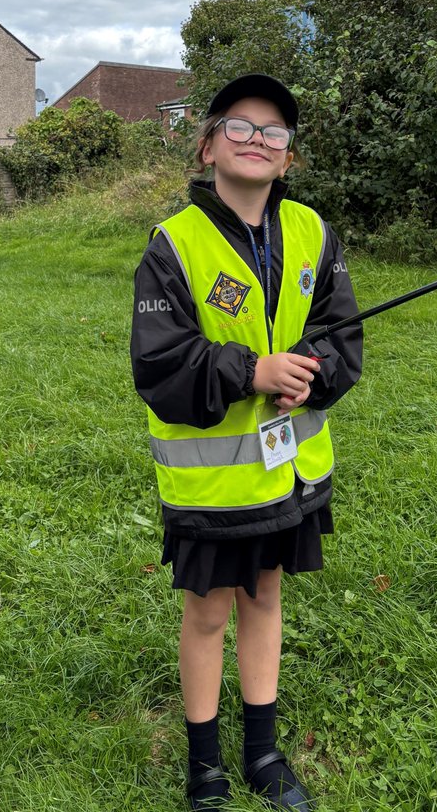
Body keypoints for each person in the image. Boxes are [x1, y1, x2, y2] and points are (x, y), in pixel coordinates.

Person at [131, 74, 362, 811]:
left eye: (274, 132)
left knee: (264, 599)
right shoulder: (173, 245)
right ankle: (206, 766)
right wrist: (250, 371)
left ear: (289, 158)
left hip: (287, 474)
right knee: (207, 612)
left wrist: (314, 372)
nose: (258, 139)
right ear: (207, 146)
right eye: (240, 126)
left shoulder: (315, 234)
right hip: (211, 486)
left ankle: (261, 752)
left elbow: (341, 336)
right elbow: (159, 364)